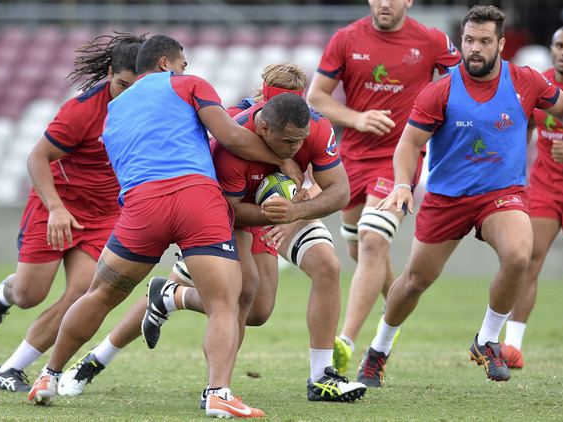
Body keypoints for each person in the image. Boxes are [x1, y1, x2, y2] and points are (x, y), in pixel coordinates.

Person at [27, 35, 302, 419]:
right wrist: (286, 164)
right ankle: (218, 393)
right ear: (164, 63)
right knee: (225, 302)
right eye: (182, 63)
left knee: (99, 294)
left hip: (142, 205)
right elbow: (233, 137)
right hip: (196, 198)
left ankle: (48, 375)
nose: (185, 69)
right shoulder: (190, 84)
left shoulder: (114, 111)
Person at [59, 64, 367, 405]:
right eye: (281, 98)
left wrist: (295, 212)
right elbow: (228, 208)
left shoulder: (314, 127)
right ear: (264, 107)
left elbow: (339, 191)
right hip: (229, 217)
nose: (296, 143)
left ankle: (321, 377)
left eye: (299, 102)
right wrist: (272, 213)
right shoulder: (230, 136)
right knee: (240, 293)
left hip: (284, 210)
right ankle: (102, 359)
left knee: (316, 273)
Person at [363, 5, 563, 386]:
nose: (475, 48)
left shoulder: (525, 81)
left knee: (519, 256)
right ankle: (378, 349)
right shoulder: (439, 90)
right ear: (461, 41)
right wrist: (402, 184)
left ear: (501, 44)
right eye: (469, 40)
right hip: (447, 199)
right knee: (414, 282)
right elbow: (408, 144)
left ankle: (488, 340)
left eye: (485, 41)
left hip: (501, 194)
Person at [0, 32, 147, 392]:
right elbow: (37, 158)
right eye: (122, 84)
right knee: (30, 294)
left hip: (103, 215)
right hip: (57, 206)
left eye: (138, 86)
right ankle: (7, 294)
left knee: (84, 292)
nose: (129, 93)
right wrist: (55, 208)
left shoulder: (150, 108)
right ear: (108, 72)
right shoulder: (82, 110)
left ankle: (10, 369)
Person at [306, 0, 461, 376]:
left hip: (398, 159)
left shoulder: (431, 41)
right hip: (351, 158)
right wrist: (356, 118)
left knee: (373, 242)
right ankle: (391, 321)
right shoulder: (346, 39)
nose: (386, 3)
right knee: (363, 251)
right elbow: (316, 97)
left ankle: (344, 341)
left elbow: (469, 82)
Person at [502, 25, 563, 369]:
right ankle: (512, 346)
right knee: (530, 259)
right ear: (551, 47)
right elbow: (523, 125)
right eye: (559, 45)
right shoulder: (539, 84)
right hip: (545, 185)